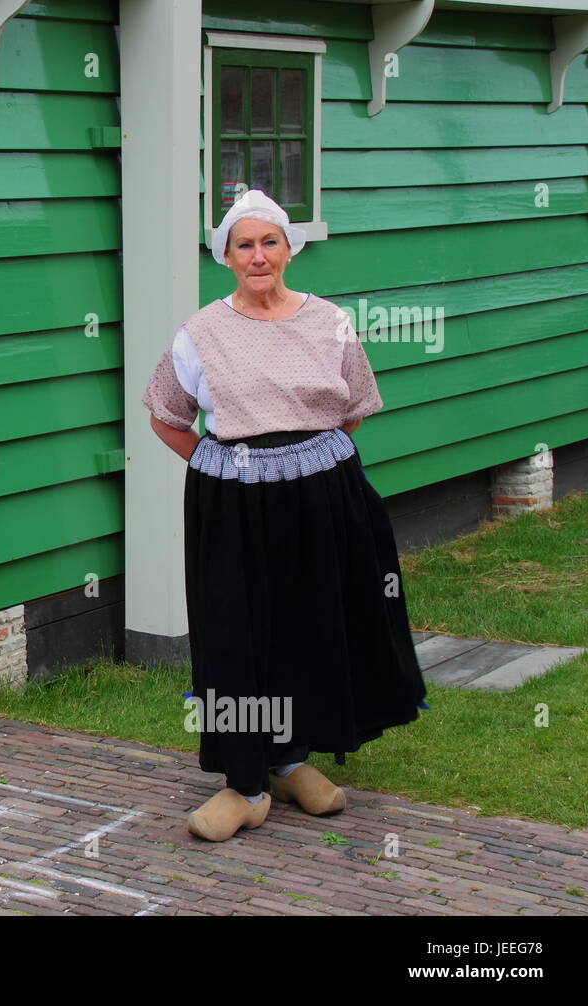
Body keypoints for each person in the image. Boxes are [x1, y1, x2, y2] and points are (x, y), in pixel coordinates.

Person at [141, 189, 427, 842]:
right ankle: (244, 783)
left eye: (270, 241)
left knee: (310, 623)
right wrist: (228, 470)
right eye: (245, 244)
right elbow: (166, 416)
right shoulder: (201, 333)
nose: (259, 255)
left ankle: (292, 759)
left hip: (322, 498)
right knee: (235, 633)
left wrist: (306, 462)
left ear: (289, 248)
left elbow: (353, 405)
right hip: (233, 506)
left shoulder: (328, 321)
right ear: (227, 256)